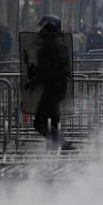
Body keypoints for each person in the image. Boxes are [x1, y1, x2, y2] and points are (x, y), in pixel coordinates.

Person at [26, 15, 74, 150]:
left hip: (55, 88)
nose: (41, 31)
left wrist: (41, 72)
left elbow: (60, 68)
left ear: (50, 29)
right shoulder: (50, 43)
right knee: (53, 122)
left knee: (39, 122)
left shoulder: (57, 44)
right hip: (52, 87)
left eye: (43, 29)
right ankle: (60, 153)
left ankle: (62, 146)